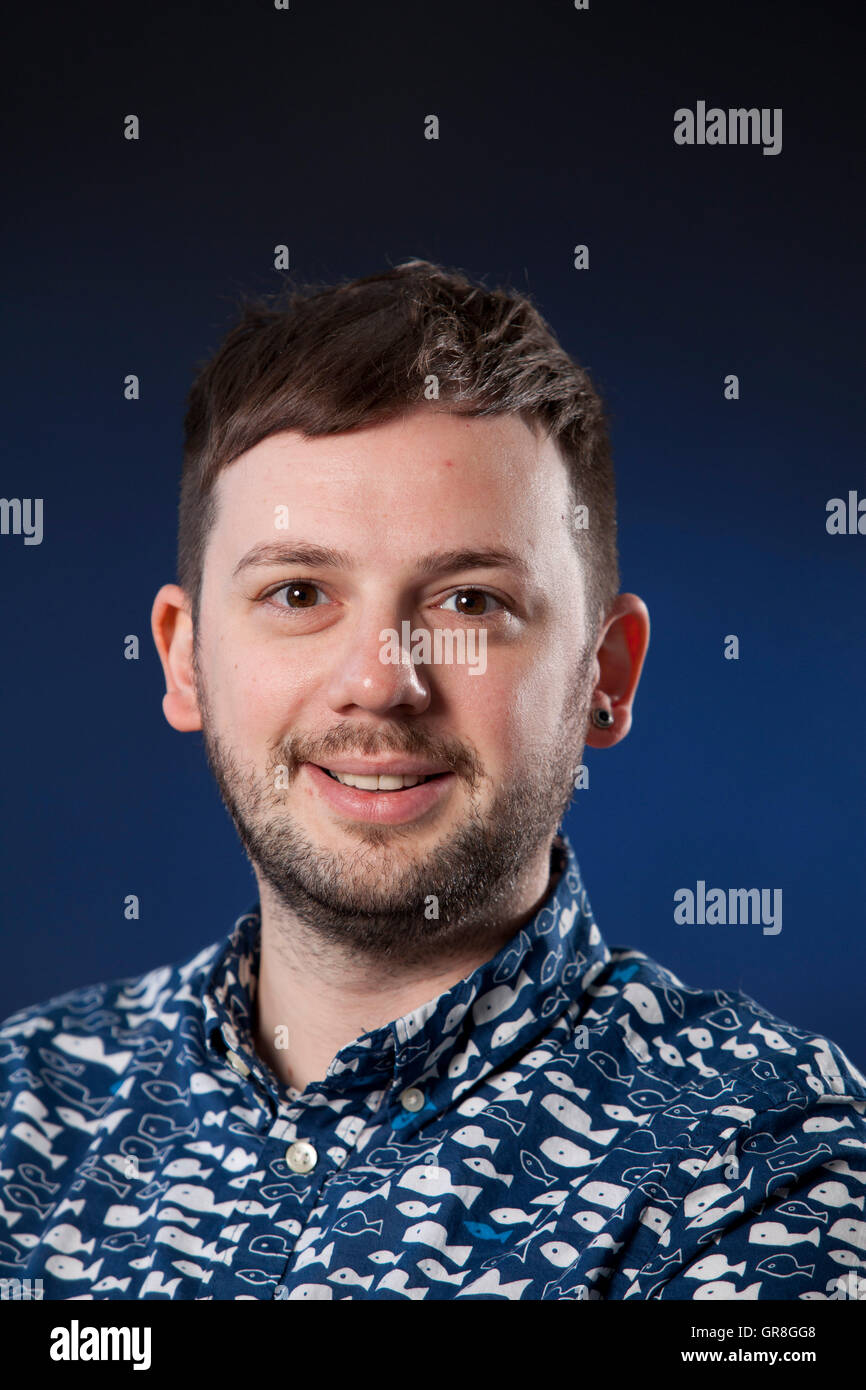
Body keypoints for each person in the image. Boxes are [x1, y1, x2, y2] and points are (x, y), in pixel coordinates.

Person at [1, 260, 863, 1302]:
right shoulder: (23, 1112)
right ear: (184, 660)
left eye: (467, 600)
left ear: (605, 674)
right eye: (299, 590)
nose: (381, 682)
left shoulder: (764, 1159)